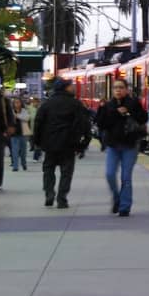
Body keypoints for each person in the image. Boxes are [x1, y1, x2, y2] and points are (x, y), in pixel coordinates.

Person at [33, 78, 90, 208]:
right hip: (69, 144)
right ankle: (62, 198)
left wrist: (37, 141)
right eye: (71, 86)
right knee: (66, 172)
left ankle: (49, 193)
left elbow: (38, 123)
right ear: (65, 88)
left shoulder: (47, 104)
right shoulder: (76, 104)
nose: (73, 87)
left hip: (50, 143)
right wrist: (84, 143)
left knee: (48, 170)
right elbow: (84, 124)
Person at [95, 79, 148, 217]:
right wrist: (110, 111)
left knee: (126, 177)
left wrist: (129, 112)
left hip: (130, 145)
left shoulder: (134, 103)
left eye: (121, 87)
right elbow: (101, 123)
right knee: (110, 174)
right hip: (113, 145)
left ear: (126, 89)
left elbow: (143, 118)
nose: (118, 90)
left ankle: (125, 207)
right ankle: (116, 197)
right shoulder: (108, 105)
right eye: (115, 88)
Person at [10, 97, 31, 171]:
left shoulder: (24, 111)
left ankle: (23, 163)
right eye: (15, 102)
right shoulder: (11, 111)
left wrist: (17, 116)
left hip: (23, 134)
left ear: (21, 103)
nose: (17, 104)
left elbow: (27, 118)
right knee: (14, 151)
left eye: (18, 102)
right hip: (14, 134)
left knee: (23, 151)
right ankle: (15, 166)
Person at [27, 97, 42, 162]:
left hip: (40, 129)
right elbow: (27, 118)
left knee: (37, 143)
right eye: (34, 102)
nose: (36, 103)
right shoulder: (29, 108)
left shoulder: (41, 108)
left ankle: (35, 157)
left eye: (37, 102)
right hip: (32, 128)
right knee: (33, 142)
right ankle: (38, 152)